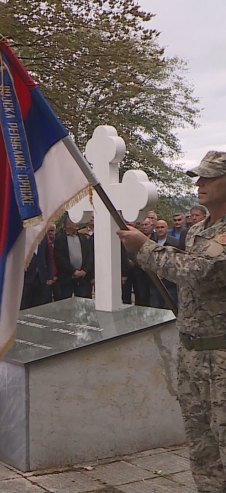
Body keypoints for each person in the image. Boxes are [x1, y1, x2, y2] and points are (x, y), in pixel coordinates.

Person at [117, 150, 226, 492]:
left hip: (221, 355)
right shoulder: (197, 232)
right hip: (193, 353)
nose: (200, 184)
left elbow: (199, 272)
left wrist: (145, 247)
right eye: (198, 177)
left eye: (208, 177)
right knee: (202, 447)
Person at [54, 216, 93, 299]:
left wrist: (84, 270)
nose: (77, 223)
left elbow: (89, 256)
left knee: (82, 303)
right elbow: (60, 258)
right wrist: (73, 271)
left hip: (82, 278)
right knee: (65, 302)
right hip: (67, 278)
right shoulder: (60, 239)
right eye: (74, 221)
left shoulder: (83, 238)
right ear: (67, 225)